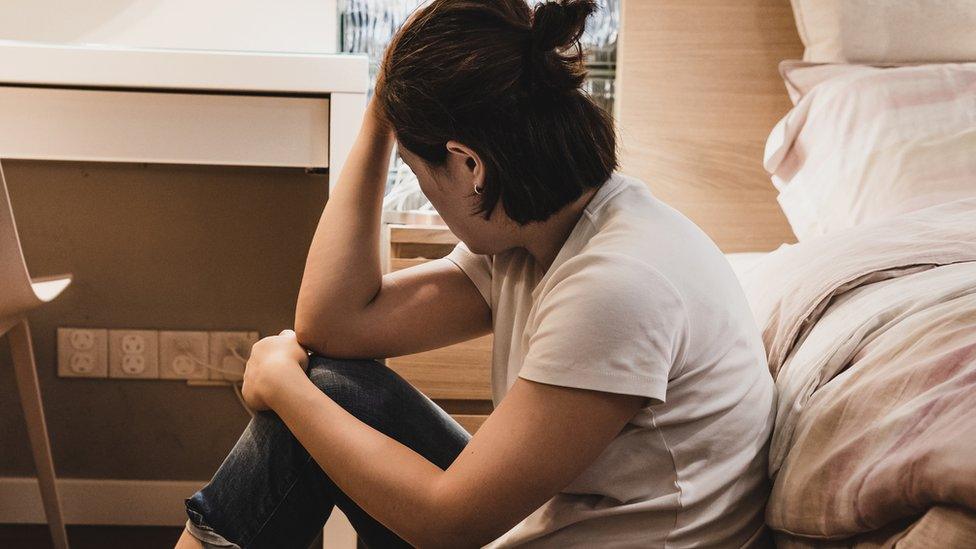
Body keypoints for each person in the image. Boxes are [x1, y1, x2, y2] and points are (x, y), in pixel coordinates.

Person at [175, 0, 775, 547]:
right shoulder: (540, 234)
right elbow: (334, 326)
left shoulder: (616, 285)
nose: (427, 194)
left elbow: (446, 524)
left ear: (469, 165)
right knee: (335, 387)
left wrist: (282, 386)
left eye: (416, 168)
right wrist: (386, 105)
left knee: (308, 402)